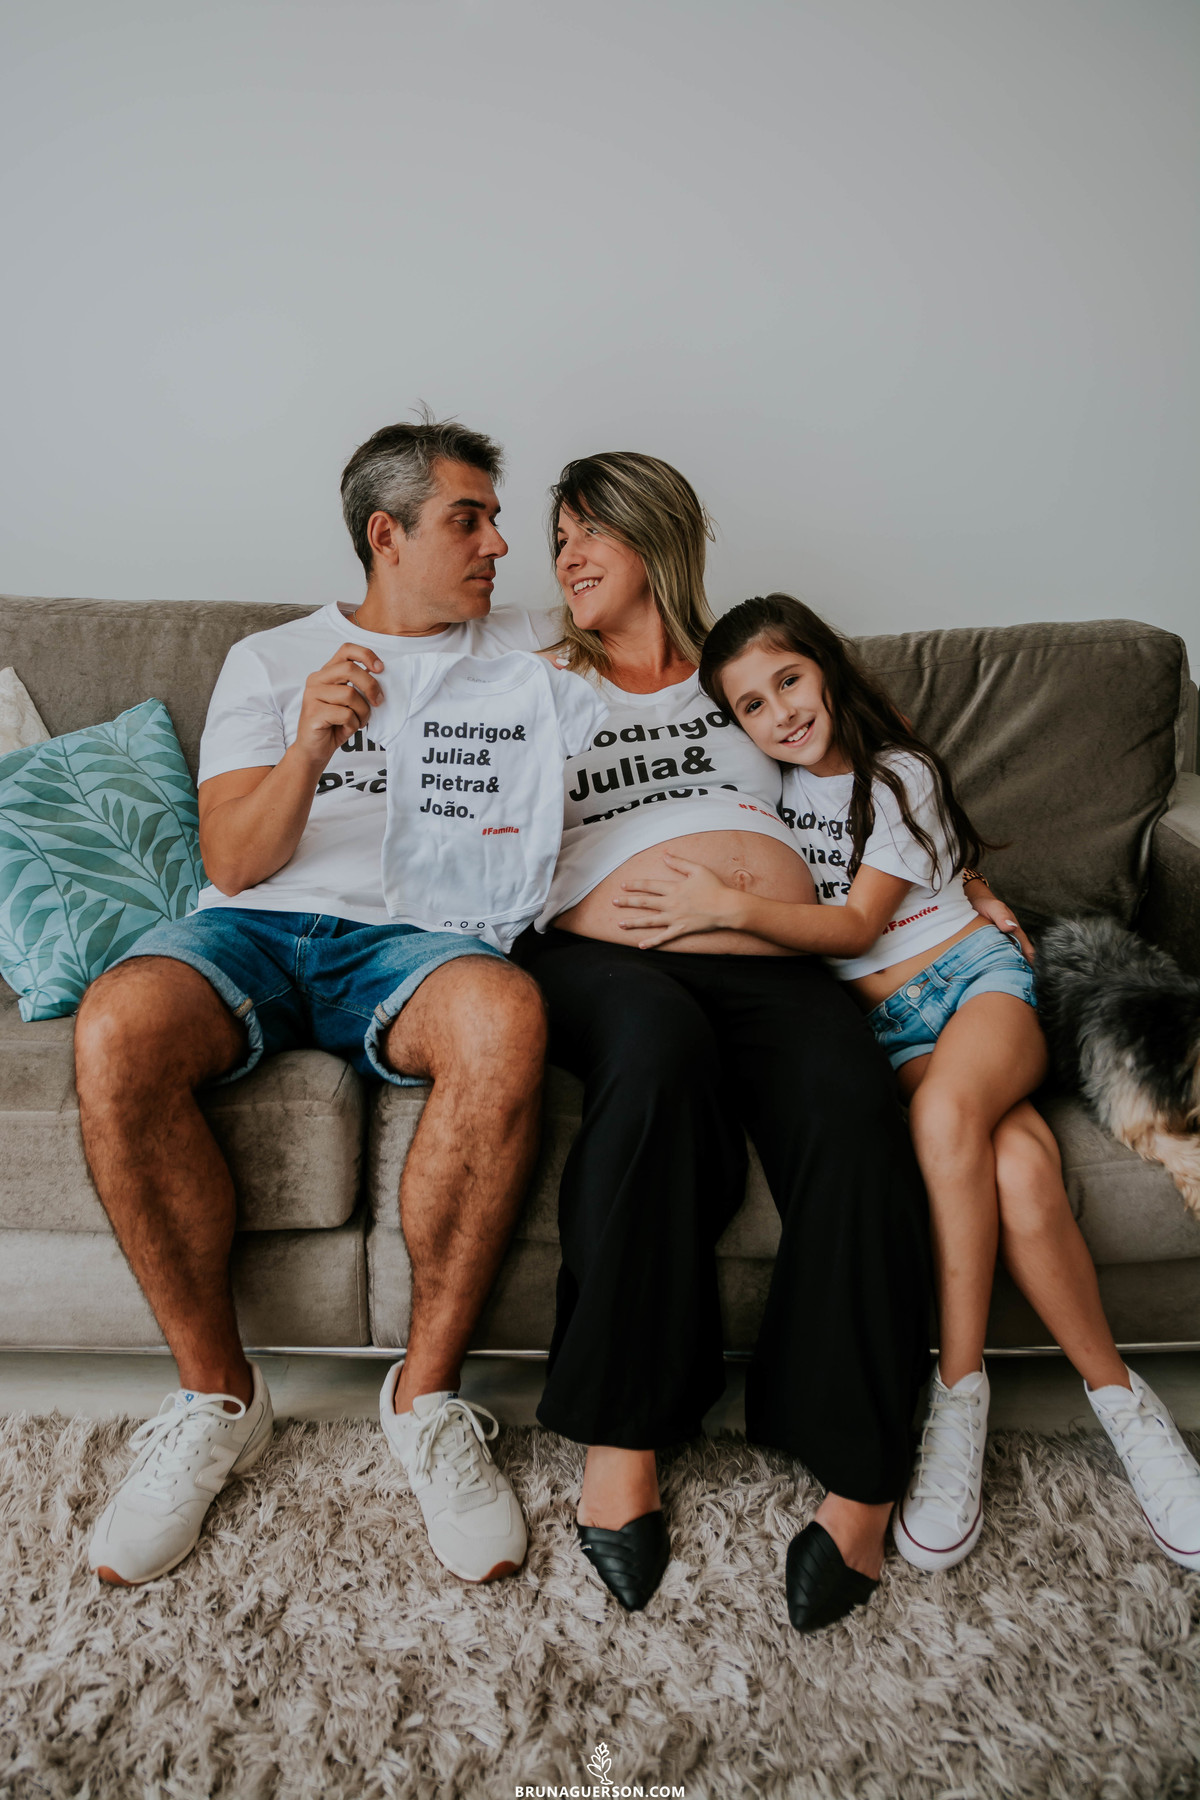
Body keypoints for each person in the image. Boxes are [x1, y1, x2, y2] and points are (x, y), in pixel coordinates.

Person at [619, 591, 1200, 1576]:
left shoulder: (897, 772)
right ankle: (1124, 1401)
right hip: (888, 1030)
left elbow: (853, 927)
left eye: (790, 680)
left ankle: (958, 1393)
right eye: (752, 704)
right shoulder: (762, 791)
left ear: (826, 668)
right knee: (1019, 1169)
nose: (780, 712)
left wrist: (725, 906)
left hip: (976, 983)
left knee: (942, 1118)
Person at [76, 416, 558, 1589]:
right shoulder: (271, 657)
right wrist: (308, 746)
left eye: (497, 519)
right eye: (469, 520)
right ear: (387, 535)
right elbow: (234, 862)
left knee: (505, 1019)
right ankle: (217, 1400)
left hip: (421, 942)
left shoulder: (534, 646)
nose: (499, 544)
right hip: (257, 928)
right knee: (118, 1026)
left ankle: (425, 1400)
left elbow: (685, 657)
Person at [511, 452, 941, 1632]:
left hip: (772, 954)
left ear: (655, 534)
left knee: (855, 1108)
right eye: (558, 538)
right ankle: (625, 1433)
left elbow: (895, 774)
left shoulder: (744, 672)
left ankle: (859, 1469)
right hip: (607, 959)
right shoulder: (538, 677)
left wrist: (980, 884)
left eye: (590, 529)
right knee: (656, 1063)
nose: (567, 555)